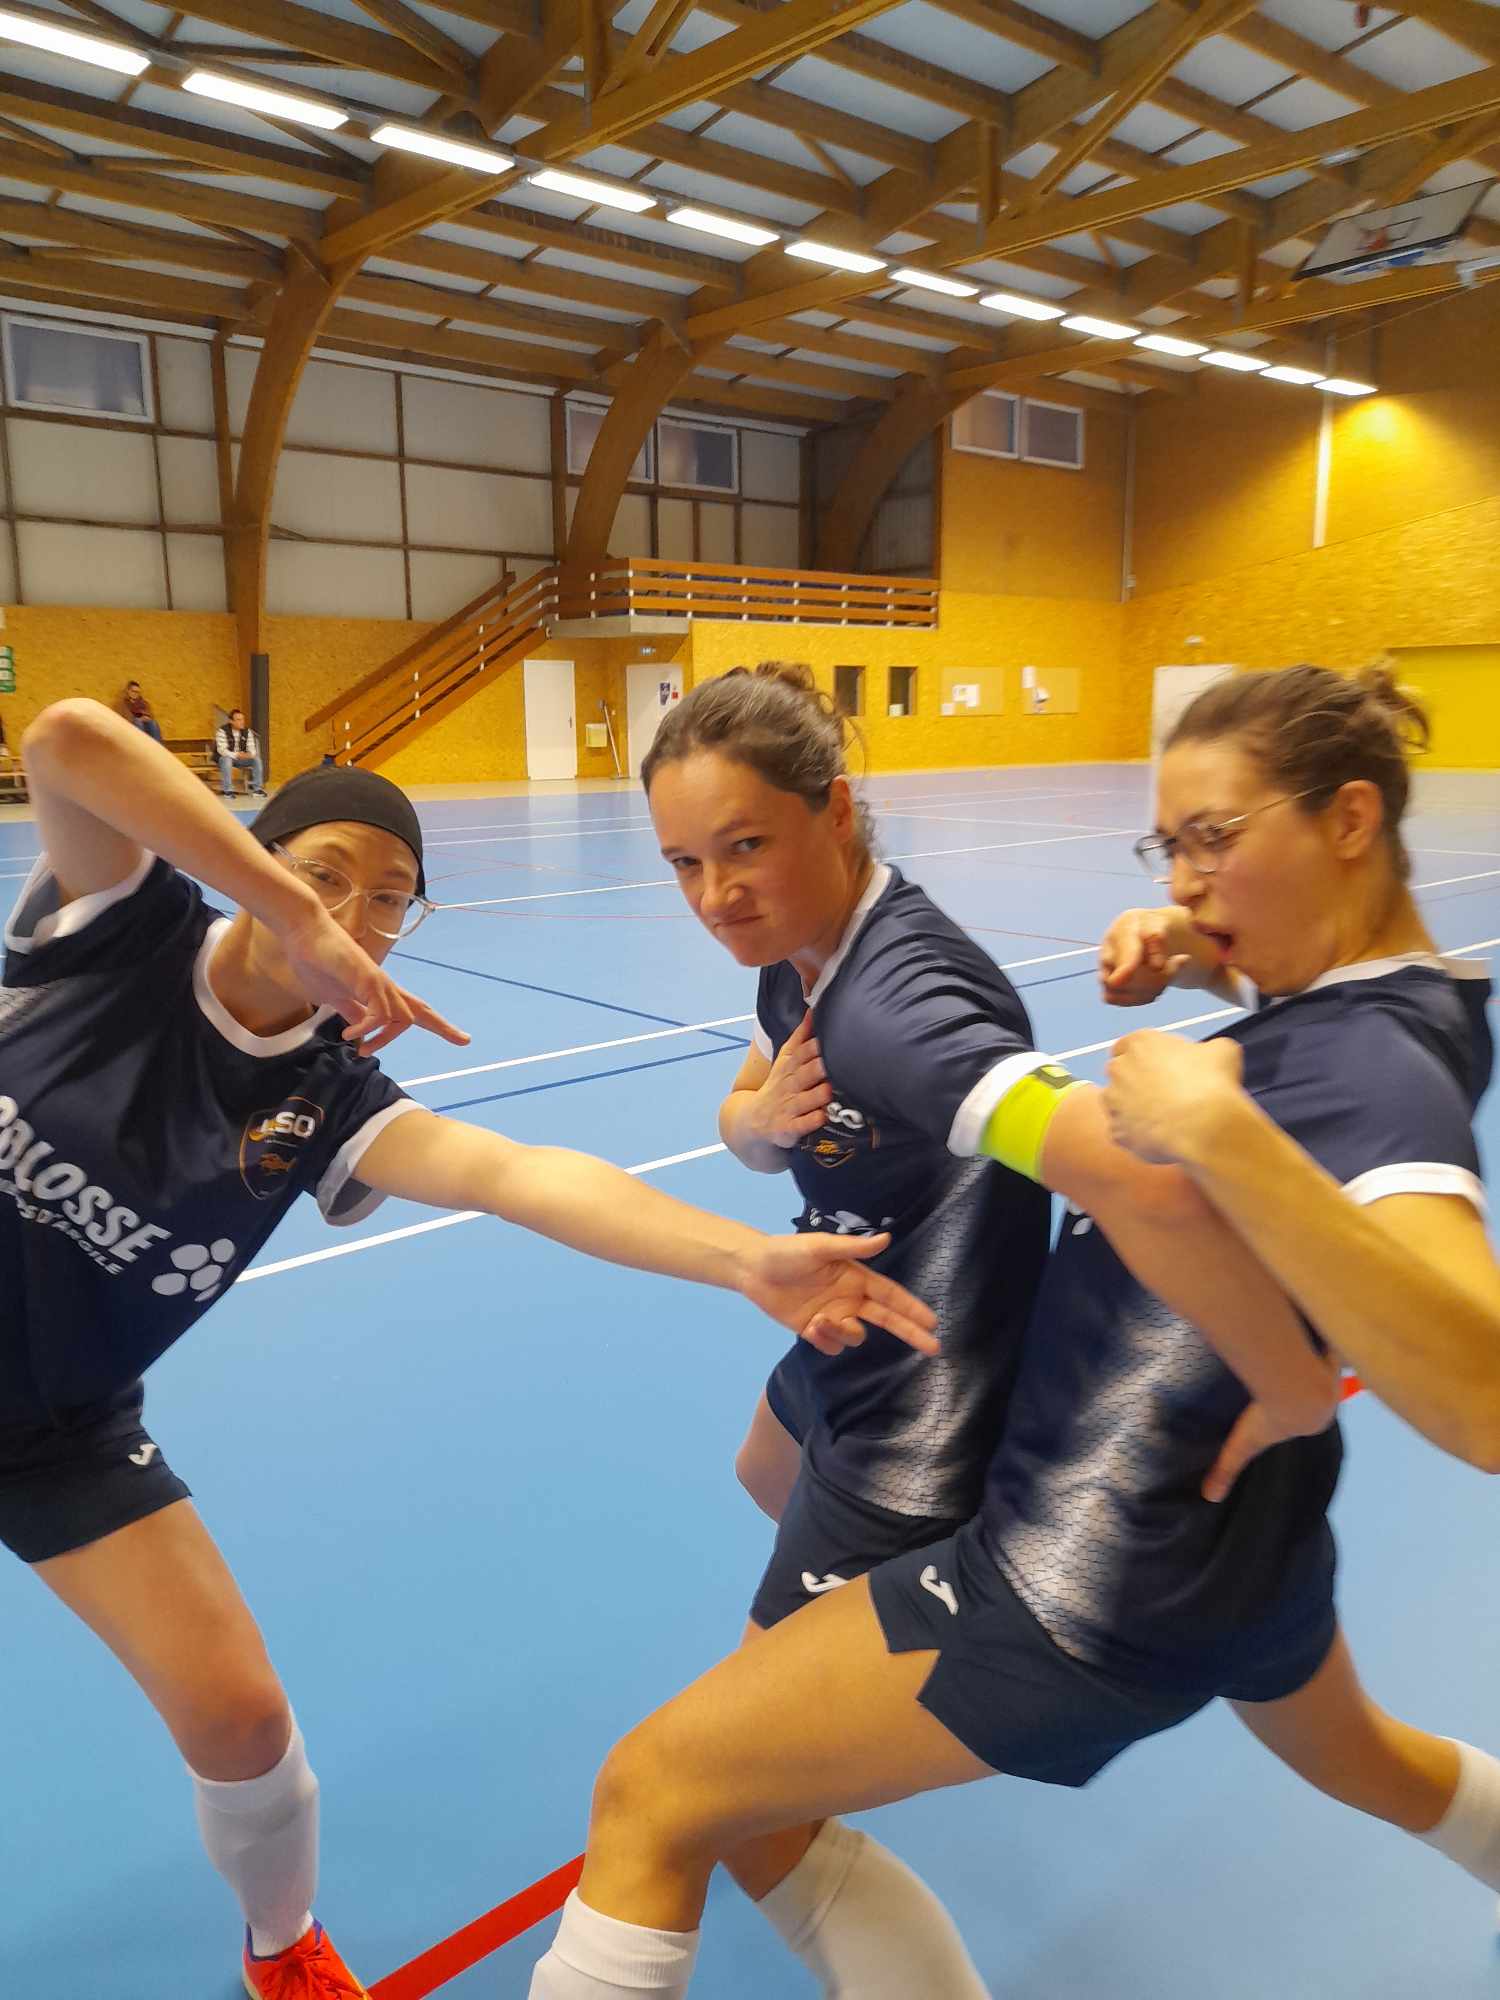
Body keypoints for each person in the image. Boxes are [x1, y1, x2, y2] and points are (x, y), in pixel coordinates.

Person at [527, 664, 1500, 1999]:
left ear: (1347, 820)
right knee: (1368, 1757)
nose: (1184, 882)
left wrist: (1272, 1308)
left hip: (1087, 1563)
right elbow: (1332, 1055)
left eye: (1214, 839)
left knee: (662, 1793)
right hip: (1245, 1530)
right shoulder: (1391, 1003)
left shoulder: (1365, 1064)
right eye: (1169, 848)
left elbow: (1478, 1393)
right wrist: (1203, 952)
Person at [1, 698, 939, 2000]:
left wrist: (743, 1258)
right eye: (327, 874)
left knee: (243, 1715)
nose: (357, 912)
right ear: (260, 863)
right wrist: (294, 909)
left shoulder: (326, 1096)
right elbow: (65, 739)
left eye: (390, 898)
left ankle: (282, 1944)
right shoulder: (122, 928)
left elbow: (519, 1173)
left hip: (58, 1427)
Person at [217, 707, 265, 797]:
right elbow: (222, 750)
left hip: (242, 759)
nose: (242, 722)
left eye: (243, 719)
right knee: (227, 759)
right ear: (231, 721)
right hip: (225, 758)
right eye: (238, 720)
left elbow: (252, 750)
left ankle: (257, 789)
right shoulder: (222, 731)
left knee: (256, 759)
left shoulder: (247, 731)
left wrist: (248, 755)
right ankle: (228, 791)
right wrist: (237, 755)